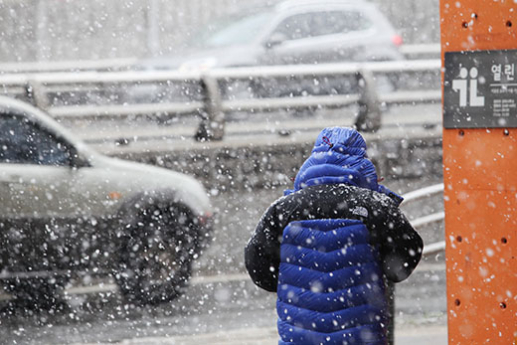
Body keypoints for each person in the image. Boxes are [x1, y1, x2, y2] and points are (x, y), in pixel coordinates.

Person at [244, 127, 423, 345]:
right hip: (361, 337)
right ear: (361, 160)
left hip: (300, 337)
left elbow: (259, 268)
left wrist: (297, 287)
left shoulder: (283, 209)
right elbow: (402, 265)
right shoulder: (377, 206)